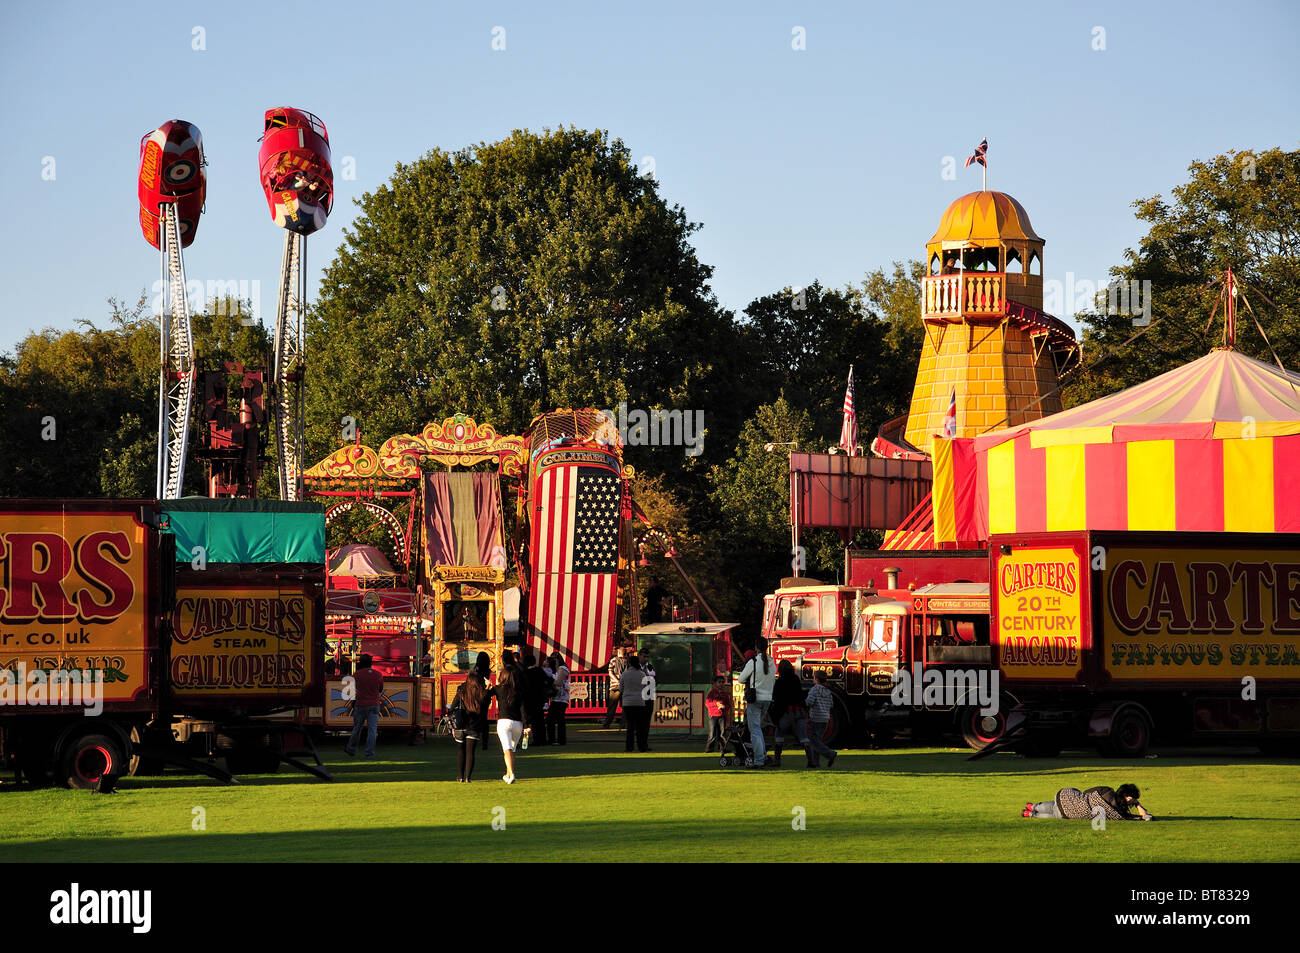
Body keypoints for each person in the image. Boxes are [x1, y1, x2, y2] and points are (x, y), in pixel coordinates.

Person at [735, 637, 776, 768]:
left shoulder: (753, 662)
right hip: (767, 698)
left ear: (756, 647)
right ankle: (763, 756)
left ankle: (759, 760)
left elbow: (741, 679)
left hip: (755, 699)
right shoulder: (772, 662)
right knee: (758, 729)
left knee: (755, 730)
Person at [491, 650, 530, 783]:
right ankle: (508, 775)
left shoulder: (498, 689)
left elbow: (486, 694)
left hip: (504, 722)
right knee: (512, 750)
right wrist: (527, 725)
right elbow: (523, 708)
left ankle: (511, 773)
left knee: (506, 749)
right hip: (518, 724)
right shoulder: (518, 691)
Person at [1023, 783, 1152, 820]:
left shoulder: (1107, 791)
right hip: (1072, 813)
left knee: (1055, 805)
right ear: (1128, 798)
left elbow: (1089, 791)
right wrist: (1138, 805)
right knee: (1056, 813)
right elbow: (1142, 816)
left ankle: (1033, 806)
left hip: (1072, 800)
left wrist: (1081, 799)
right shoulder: (1118, 812)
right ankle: (1030, 814)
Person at [450, 666, 489, 782]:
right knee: (470, 752)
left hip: (461, 725)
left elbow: (452, 708)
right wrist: (488, 685)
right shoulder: (480, 694)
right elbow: (487, 700)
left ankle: (460, 776)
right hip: (474, 726)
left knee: (461, 751)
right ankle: (468, 777)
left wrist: (453, 726)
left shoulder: (461, 693)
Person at [769, 659, 810, 768]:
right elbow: (800, 694)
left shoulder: (780, 681)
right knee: (803, 736)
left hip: (786, 712)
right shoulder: (796, 679)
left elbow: (777, 699)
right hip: (800, 711)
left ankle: (777, 760)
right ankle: (811, 760)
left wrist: (776, 716)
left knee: (779, 734)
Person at [345, 654, 383, 758]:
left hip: (360, 704)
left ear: (360, 663)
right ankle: (369, 753)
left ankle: (351, 749)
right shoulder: (378, 674)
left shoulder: (357, 674)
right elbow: (380, 689)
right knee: (372, 730)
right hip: (374, 704)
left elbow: (352, 690)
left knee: (357, 728)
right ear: (371, 663)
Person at [804, 670, 838, 768]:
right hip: (825, 719)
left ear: (816, 679)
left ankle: (829, 753)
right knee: (818, 740)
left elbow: (809, 702)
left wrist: (804, 702)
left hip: (815, 718)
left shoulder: (814, 689)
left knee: (814, 741)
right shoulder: (828, 691)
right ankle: (815, 763)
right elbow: (831, 705)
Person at [619, 655, 649, 752]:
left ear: (629, 663)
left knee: (630, 726)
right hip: (640, 702)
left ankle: (629, 747)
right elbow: (646, 688)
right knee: (640, 726)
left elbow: (621, 689)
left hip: (628, 702)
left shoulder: (624, 674)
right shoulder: (642, 674)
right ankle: (642, 746)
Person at [522, 653, 551, 747]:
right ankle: (542, 739)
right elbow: (548, 681)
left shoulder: (525, 673)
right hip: (539, 698)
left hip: (528, 699)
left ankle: (533, 740)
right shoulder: (539, 671)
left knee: (530, 720)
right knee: (539, 720)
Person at [547, 652, 570, 746]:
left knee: (554, 719)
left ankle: (557, 739)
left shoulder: (562, 668)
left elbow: (558, 682)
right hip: (557, 697)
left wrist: (548, 682)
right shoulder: (556, 670)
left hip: (561, 698)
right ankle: (558, 739)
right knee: (556, 719)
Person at [704, 675, 731, 752]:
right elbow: (707, 704)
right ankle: (709, 749)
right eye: (719, 682)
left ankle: (722, 748)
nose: (721, 684)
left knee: (722, 734)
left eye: (723, 682)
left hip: (722, 716)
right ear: (715, 683)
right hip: (713, 716)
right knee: (712, 734)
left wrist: (724, 706)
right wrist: (716, 704)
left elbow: (728, 705)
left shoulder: (725, 694)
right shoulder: (711, 693)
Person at [604, 647, 629, 728]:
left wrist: (617, 680)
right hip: (626, 686)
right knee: (625, 706)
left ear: (618, 652)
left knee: (612, 706)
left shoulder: (614, 660)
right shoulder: (628, 661)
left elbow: (610, 672)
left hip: (615, 686)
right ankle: (623, 724)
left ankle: (607, 723)